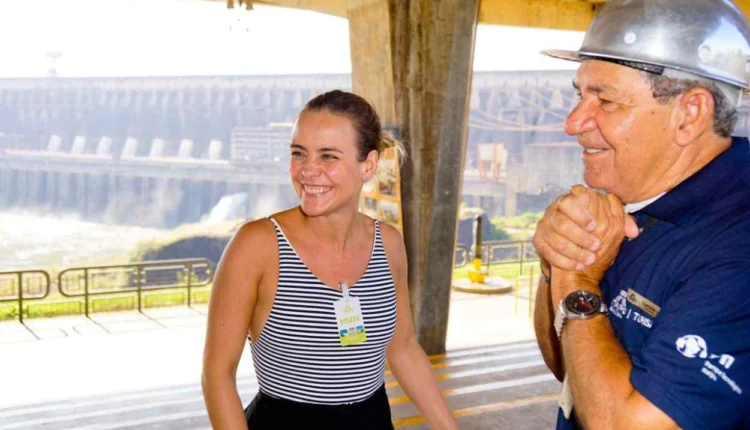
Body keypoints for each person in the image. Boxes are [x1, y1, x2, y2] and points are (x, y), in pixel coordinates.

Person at [531, 0, 750, 428]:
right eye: (580, 95)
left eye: (606, 100)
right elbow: (570, 369)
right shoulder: (632, 202)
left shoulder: (737, 248)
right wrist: (556, 261)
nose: (573, 123)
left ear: (690, 114)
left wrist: (576, 282)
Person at [201, 90, 457, 429]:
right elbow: (217, 375)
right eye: (299, 153)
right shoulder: (258, 245)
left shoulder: (389, 244)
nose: (308, 170)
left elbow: (404, 348)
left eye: (328, 156)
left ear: (367, 165)